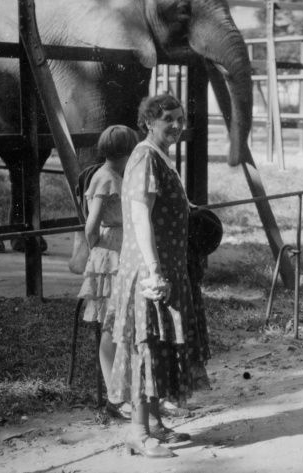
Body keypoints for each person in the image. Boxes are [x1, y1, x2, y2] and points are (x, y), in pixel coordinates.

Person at [107, 93, 210, 459]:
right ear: (149, 122)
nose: (178, 126)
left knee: (161, 346)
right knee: (146, 347)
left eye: (181, 119)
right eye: (169, 119)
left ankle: (152, 425)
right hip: (151, 270)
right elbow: (139, 216)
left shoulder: (159, 155)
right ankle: (137, 432)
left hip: (168, 266)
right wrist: (153, 271)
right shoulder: (144, 156)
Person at [76, 124, 138, 419]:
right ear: (126, 151)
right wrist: (98, 251)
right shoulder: (104, 178)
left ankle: (124, 391)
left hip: (123, 251)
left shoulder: (118, 175)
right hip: (110, 256)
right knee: (110, 326)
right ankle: (114, 397)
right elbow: (91, 227)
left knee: (122, 323)